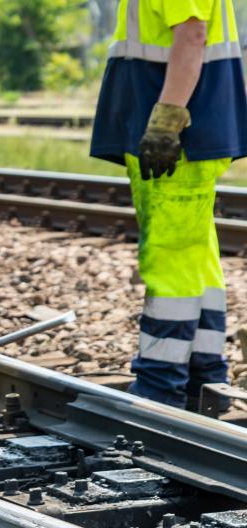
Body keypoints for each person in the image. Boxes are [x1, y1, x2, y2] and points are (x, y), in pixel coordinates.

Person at [90, 0, 247, 410]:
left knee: (170, 254)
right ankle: (204, 374)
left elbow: (192, 35)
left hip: (175, 138)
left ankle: (160, 383)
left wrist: (167, 119)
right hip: (182, 131)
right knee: (195, 254)